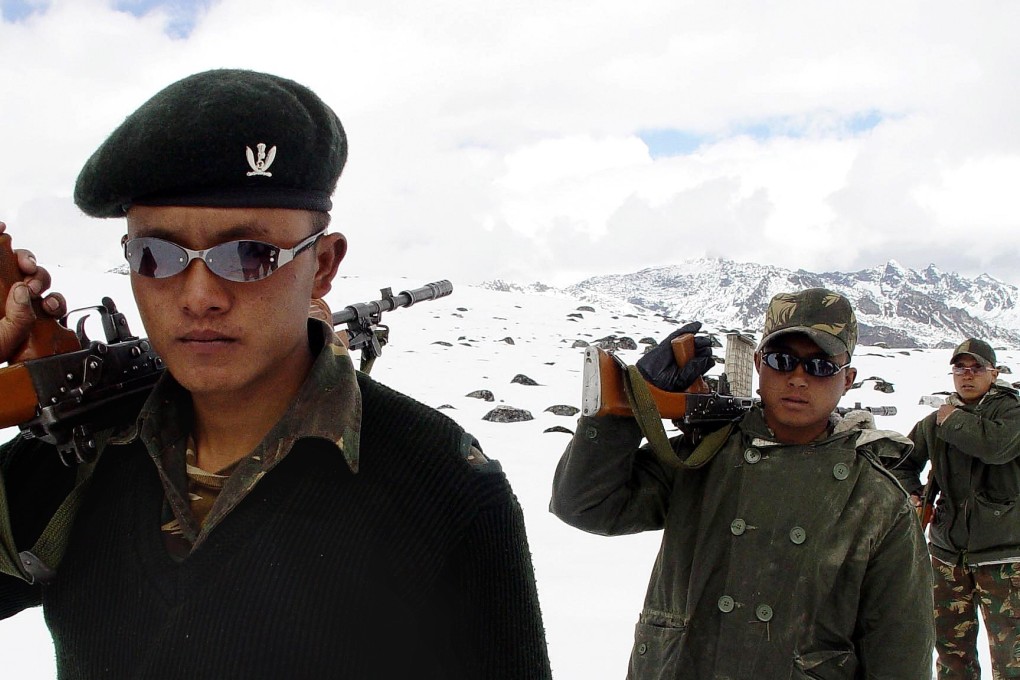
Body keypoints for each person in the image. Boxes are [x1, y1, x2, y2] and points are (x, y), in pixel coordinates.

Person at [0, 69, 551, 679]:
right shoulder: (80, 454)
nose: (198, 296)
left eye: (248, 254)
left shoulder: (439, 483)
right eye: (157, 256)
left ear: (323, 265)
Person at [550, 288, 934, 679]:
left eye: (820, 367)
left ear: (848, 379)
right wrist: (628, 408)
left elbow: (900, 653)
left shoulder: (876, 500)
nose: (798, 379)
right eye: (782, 361)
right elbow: (584, 505)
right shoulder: (705, 455)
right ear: (758, 364)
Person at [894, 338, 1020, 680]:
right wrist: (914, 494)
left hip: (1005, 557)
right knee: (951, 655)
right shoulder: (936, 420)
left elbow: (994, 447)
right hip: (948, 554)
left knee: (1013, 659)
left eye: (976, 368)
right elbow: (901, 461)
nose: (967, 375)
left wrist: (951, 422)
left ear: (993, 374)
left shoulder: (1011, 414)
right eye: (960, 368)